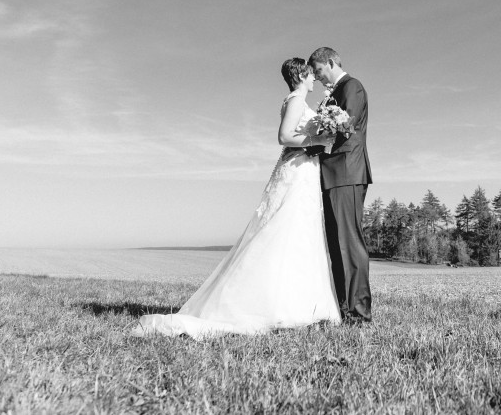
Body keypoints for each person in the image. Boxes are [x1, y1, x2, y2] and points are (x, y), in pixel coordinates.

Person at [130, 58, 340, 338]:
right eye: (311, 75)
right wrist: (318, 142)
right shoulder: (295, 101)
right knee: (283, 230)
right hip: (296, 171)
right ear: (302, 75)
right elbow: (284, 137)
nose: (314, 80)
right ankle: (271, 306)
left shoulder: (300, 102)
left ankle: (303, 305)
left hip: (305, 171)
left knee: (301, 233)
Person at [308, 46, 373, 324]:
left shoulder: (352, 87)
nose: (318, 77)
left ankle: (359, 313)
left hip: (347, 172)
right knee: (336, 245)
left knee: (349, 243)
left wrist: (314, 146)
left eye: (319, 70)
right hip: (331, 175)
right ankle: (343, 309)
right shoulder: (331, 94)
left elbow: (347, 128)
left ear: (332, 62)